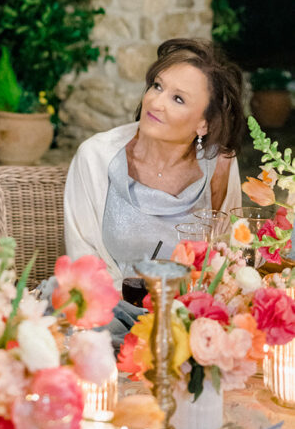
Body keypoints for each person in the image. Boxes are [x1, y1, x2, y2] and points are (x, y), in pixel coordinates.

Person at [64, 38, 245, 286]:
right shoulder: (95, 156)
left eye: (178, 99)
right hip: (107, 302)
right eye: (157, 86)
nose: (155, 103)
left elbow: (226, 259)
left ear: (204, 124)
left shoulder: (220, 164)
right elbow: (82, 260)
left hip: (187, 305)